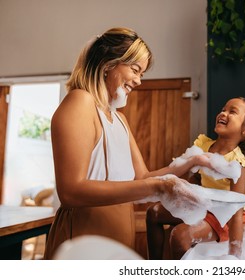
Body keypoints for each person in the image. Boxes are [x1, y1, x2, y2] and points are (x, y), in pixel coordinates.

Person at [43, 27, 212, 260]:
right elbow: (70, 191)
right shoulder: (80, 102)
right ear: (108, 63)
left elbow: (141, 178)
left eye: (141, 73)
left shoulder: (120, 119)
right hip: (83, 238)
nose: (139, 81)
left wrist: (192, 162)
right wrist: (158, 187)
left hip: (119, 236)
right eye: (135, 70)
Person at [146, 97, 245, 260]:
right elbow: (195, 179)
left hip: (225, 216)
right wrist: (183, 201)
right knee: (153, 213)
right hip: (203, 205)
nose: (223, 113)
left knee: (180, 236)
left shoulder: (237, 164)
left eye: (232, 112)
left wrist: (234, 256)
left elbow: (236, 212)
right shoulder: (202, 146)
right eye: (223, 109)